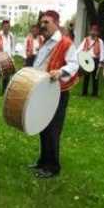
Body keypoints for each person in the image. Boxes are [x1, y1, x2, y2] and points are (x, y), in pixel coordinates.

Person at [30, 10, 79, 178]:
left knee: (53, 129)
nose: (42, 25)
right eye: (41, 22)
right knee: (43, 127)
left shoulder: (65, 43)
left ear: (56, 23)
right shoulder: (45, 42)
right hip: (44, 90)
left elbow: (74, 64)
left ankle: (52, 167)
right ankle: (43, 161)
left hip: (58, 92)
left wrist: (61, 71)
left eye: (46, 22)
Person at [77, 24, 104, 97]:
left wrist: (101, 62)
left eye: (95, 31)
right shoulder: (86, 39)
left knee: (95, 77)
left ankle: (94, 93)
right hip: (87, 59)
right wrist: (76, 56)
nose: (93, 32)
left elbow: (102, 52)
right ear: (90, 31)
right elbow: (80, 49)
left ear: (97, 33)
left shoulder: (100, 41)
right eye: (92, 30)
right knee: (86, 76)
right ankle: (84, 92)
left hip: (95, 60)